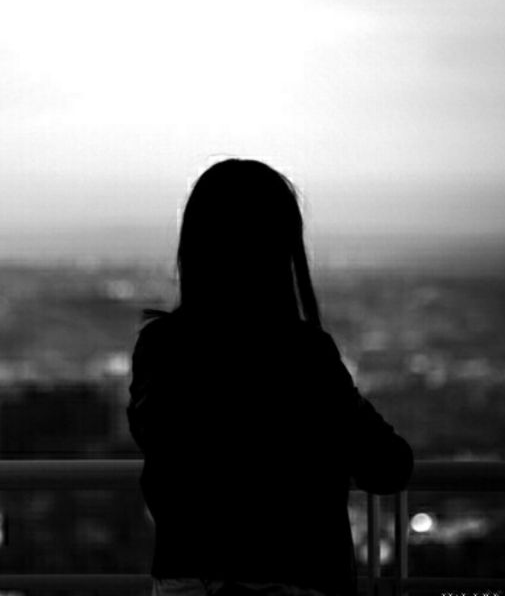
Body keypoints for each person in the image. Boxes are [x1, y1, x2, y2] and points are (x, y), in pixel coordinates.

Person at [127, 159, 413, 596]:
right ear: (281, 250)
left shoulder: (160, 349)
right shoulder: (304, 354)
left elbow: (159, 446)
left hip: (186, 580)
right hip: (294, 579)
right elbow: (389, 466)